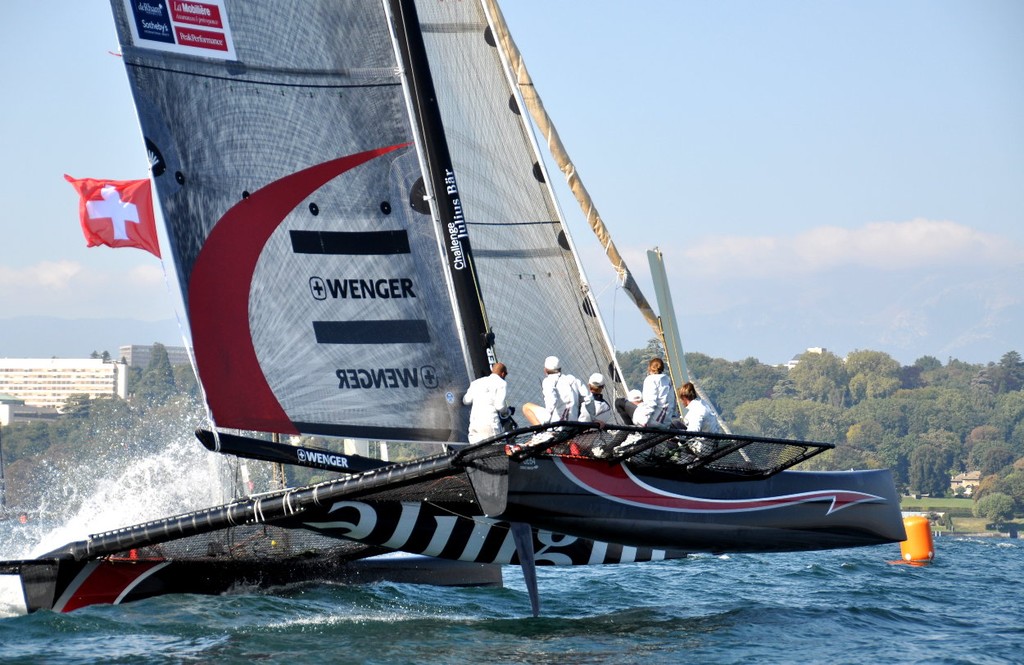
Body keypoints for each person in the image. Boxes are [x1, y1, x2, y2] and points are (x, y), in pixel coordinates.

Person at [522, 355, 581, 425]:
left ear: (545, 370)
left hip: (558, 424)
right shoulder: (571, 378)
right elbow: (586, 399)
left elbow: (552, 401)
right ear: (560, 369)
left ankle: (540, 432)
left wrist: (546, 421)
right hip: (574, 422)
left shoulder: (548, 381)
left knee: (526, 407)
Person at [463, 362, 511, 443]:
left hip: (475, 424)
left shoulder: (476, 383)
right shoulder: (501, 383)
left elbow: (466, 401)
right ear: (503, 374)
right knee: (495, 452)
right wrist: (507, 411)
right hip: (490, 423)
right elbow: (500, 406)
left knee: (477, 452)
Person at [632, 357, 675, 427]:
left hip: (654, 421)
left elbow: (651, 403)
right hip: (666, 421)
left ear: (650, 368)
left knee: (620, 403)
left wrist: (644, 421)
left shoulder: (650, 379)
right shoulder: (667, 380)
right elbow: (673, 402)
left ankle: (630, 431)